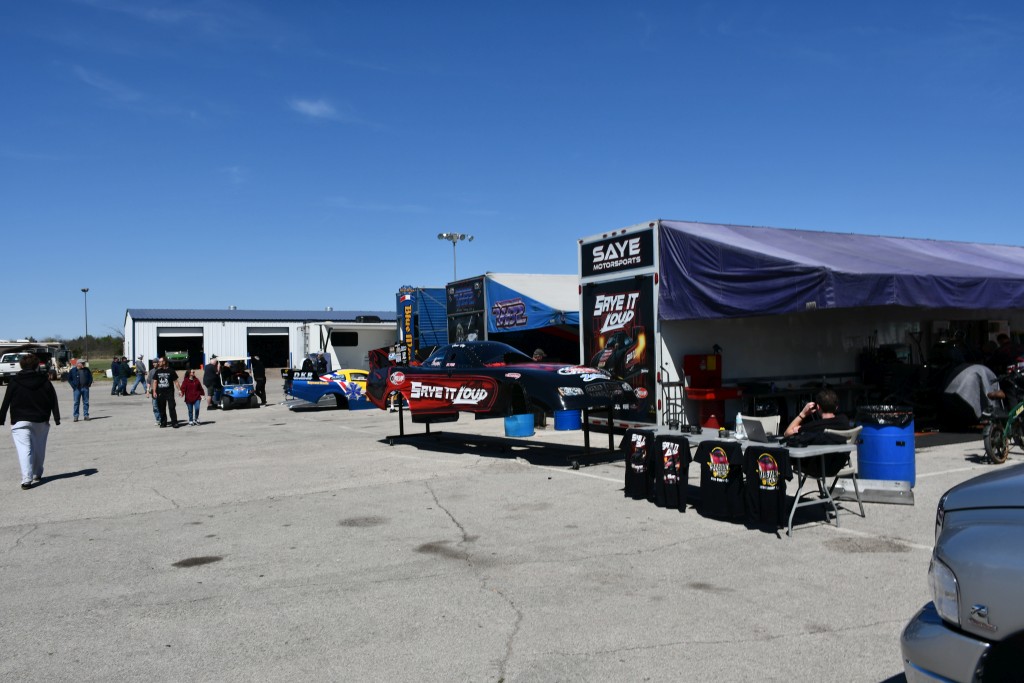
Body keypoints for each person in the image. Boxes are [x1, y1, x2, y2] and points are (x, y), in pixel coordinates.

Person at [0, 353, 60, 489]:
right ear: (37, 365)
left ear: (21, 365)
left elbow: (6, 400)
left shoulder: (14, 381)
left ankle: (26, 479)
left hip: (19, 420)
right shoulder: (44, 381)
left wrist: (1, 417)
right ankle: (37, 473)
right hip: (40, 419)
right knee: (39, 448)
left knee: (24, 449)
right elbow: (53, 399)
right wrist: (56, 417)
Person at [783, 388, 850, 437]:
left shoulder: (813, 426)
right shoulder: (844, 421)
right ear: (836, 407)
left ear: (818, 407)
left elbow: (787, 433)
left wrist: (802, 414)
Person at [151, 357, 182, 428]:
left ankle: (174, 422)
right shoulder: (157, 371)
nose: (158, 363)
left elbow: (176, 381)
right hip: (160, 393)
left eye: (160, 362)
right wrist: (154, 391)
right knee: (161, 408)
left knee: (172, 407)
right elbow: (155, 382)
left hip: (169, 392)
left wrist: (179, 390)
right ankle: (163, 422)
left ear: (164, 362)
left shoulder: (171, 371)